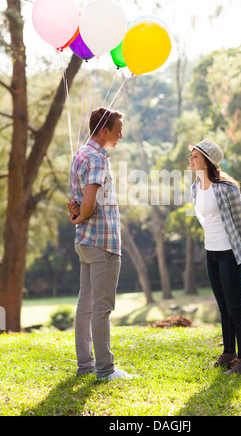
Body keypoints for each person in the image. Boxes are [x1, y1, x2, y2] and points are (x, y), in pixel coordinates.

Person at [68, 107, 138, 382]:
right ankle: (105, 370)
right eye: (118, 130)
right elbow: (88, 203)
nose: (121, 135)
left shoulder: (80, 154)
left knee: (85, 306)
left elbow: (75, 201)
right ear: (104, 131)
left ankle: (86, 365)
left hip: (85, 242)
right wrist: (78, 217)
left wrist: (75, 216)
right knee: (101, 308)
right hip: (102, 242)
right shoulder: (97, 158)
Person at [188, 138, 241, 375]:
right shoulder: (195, 188)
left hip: (229, 254)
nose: (190, 159)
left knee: (235, 308)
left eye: (195, 156)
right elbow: (207, 221)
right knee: (222, 306)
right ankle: (229, 353)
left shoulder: (227, 188)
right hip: (212, 253)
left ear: (207, 162)